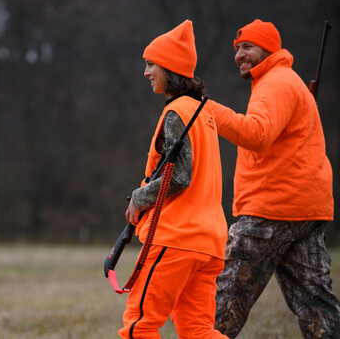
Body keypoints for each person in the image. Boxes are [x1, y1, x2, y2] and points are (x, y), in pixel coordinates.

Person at [209, 19, 340, 338]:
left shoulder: (276, 83)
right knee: (317, 308)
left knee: (223, 303)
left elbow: (257, 134)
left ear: (269, 49)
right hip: (305, 212)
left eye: (248, 47)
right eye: (237, 49)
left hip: (270, 212)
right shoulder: (287, 82)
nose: (240, 54)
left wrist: (205, 109)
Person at [118, 20, 228, 339]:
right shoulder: (203, 113)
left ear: (170, 67)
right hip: (209, 243)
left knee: (140, 326)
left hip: (177, 238)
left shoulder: (176, 112)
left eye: (151, 64)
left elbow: (179, 176)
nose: (146, 72)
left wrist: (139, 199)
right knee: (197, 331)